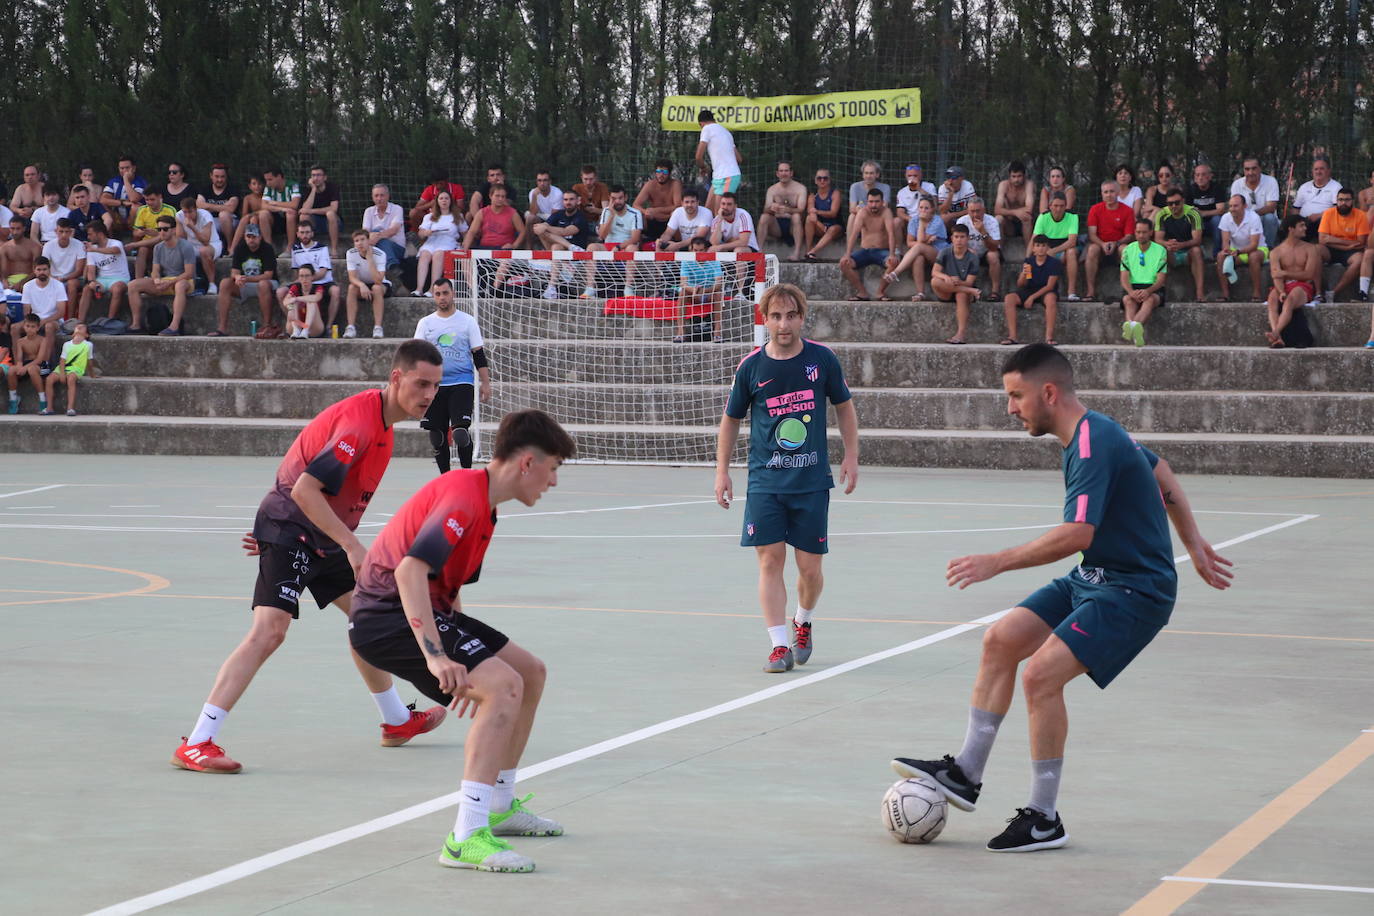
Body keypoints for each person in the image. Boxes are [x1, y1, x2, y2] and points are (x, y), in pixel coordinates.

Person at [892, 343, 1232, 853]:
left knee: (1040, 676)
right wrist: (1193, 543)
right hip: (1095, 577)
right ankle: (965, 773)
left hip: (1135, 588)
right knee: (1001, 640)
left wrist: (996, 561)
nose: (1010, 408)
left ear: (1048, 393)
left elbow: (1078, 534)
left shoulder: (1093, 442)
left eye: (1016, 396)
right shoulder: (1097, 433)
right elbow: (1161, 474)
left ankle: (1044, 818)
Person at [171, 341, 448, 774]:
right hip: (297, 526)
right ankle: (199, 742)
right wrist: (289, 533)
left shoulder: (384, 428)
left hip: (318, 534)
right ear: (397, 378)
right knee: (269, 631)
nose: (429, 394)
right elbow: (303, 490)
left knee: (370, 618)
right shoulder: (360, 425)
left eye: (436, 385)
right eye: (421, 383)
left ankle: (397, 721)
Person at [348, 409, 576, 873]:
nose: (552, 482)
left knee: (528, 673)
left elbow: (444, 593)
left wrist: (472, 654)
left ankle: (500, 805)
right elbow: (409, 571)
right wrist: (438, 657)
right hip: (385, 617)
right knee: (503, 687)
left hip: (424, 612)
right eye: (552, 469)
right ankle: (465, 837)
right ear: (527, 464)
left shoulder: (483, 505)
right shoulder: (463, 498)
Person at [714, 283, 858, 673]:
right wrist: (722, 471)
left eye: (791, 315)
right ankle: (779, 646)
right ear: (765, 318)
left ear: (801, 318)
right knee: (769, 562)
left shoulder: (822, 359)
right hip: (765, 482)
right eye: (776, 316)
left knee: (810, 570)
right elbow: (731, 420)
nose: (783, 323)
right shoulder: (751, 366)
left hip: (811, 481)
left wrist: (851, 455)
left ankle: (803, 620)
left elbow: (844, 407)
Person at [414, 277, 491, 472]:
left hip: (462, 383)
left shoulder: (467, 321)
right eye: (438, 294)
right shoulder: (426, 323)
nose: (442, 298)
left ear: (453, 294)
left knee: (460, 434)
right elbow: (416, 356)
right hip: (434, 386)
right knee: (437, 436)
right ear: (434, 296)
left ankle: (466, 474)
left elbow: (478, 354)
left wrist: (485, 383)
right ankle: (445, 479)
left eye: (445, 293)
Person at [128, 215, 197, 336]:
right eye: (159, 229)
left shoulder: (186, 246)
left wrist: (170, 282)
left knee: (180, 285)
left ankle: (174, 326)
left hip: (184, 281)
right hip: (165, 281)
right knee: (133, 285)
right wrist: (156, 280)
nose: (162, 232)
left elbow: (189, 273)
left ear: (174, 230)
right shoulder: (158, 247)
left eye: (165, 229)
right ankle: (136, 324)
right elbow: (155, 270)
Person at [214, 222, 276, 338]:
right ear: (244, 237)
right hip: (246, 283)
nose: (251, 240)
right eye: (248, 237)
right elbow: (234, 272)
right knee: (225, 283)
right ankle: (222, 328)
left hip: (267, 284)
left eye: (254, 237)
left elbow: (268, 275)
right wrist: (237, 277)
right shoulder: (240, 247)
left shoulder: (267, 248)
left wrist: (247, 279)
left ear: (260, 237)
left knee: (263, 284)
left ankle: (267, 325)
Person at [1266, 216, 1320, 349]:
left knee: (1290, 300)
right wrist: (1281, 291)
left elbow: (1309, 274)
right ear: (1291, 229)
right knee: (1272, 299)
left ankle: (1276, 334)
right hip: (1284, 285)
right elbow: (1276, 276)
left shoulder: (1310, 248)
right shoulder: (1276, 252)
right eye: (1301, 225)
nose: (1305, 228)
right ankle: (1277, 336)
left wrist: (1285, 273)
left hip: (1303, 285)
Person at [278, 220, 341, 330]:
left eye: (307, 232)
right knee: (280, 292)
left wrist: (307, 279)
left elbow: (322, 272)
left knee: (335, 291)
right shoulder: (295, 250)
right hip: (303, 281)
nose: (305, 235)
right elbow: (296, 272)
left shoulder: (322, 248)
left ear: (312, 233)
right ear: (297, 234)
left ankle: (328, 326)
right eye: (302, 232)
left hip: (322, 282)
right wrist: (299, 282)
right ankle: (296, 324)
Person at [883, 195, 948, 301]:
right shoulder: (914, 220)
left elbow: (919, 242)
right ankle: (920, 293)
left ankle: (896, 272)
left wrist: (922, 223)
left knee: (919, 247)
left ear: (932, 210)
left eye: (926, 208)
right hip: (923, 250)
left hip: (939, 253)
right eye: (921, 207)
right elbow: (909, 242)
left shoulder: (937, 220)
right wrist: (924, 242)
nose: (923, 210)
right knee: (918, 258)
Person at [535, 190, 598, 300]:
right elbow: (539, 229)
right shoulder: (558, 214)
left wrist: (547, 227)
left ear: (578, 201)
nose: (568, 202)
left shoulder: (581, 217)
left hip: (576, 256)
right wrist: (543, 227)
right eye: (565, 200)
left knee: (554, 244)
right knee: (546, 237)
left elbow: (566, 231)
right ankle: (552, 288)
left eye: (571, 199)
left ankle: (552, 286)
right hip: (560, 251)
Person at [1003, 235, 1063, 345]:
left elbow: (1050, 286)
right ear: (1033, 248)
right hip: (1030, 289)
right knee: (1009, 298)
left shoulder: (1054, 263)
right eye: (1038, 246)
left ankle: (1049, 337)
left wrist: (1032, 298)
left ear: (1048, 248)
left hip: (1045, 291)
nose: (1040, 248)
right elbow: (1022, 284)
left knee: (1050, 299)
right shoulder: (1029, 261)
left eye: (1043, 246)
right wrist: (1023, 274)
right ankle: (1012, 336)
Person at [841, 188, 899, 301]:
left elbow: (891, 234)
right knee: (844, 263)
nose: (874, 205)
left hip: (882, 251)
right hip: (865, 251)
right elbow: (854, 234)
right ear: (867, 201)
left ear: (882, 202)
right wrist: (847, 254)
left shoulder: (886, 212)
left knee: (894, 263)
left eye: (877, 202)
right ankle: (862, 292)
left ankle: (880, 292)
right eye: (871, 201)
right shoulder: (862, 213)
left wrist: (892, 254)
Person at [586, 186, 643, 298]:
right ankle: (590, 288)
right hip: (608, 246)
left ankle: (628, 288)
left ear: (625, 198)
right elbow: (602, 235)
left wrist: (618, 247)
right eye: (614, 198)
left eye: (620, 198)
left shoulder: (635, 213)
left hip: (625, 247)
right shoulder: (606, 211)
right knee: (591, 247)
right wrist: (611, 216)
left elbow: (635, 238)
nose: (617, 201)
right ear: (610, 198)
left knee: (633, 249)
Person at [1120, 217, 1167, 346]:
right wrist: (1130, 291)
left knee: (1150, 300)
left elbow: (1161, 279)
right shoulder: (1128, 250)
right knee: (1128, 300)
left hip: (1153, 288)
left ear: (1151, 232)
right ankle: (1136, 330)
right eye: (1138, 232)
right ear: (1135, 232)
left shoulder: (1160, 250)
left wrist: (1148, 291)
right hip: (1133, 287)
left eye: (1144, 232)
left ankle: (1131, 327)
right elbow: (1124, 276)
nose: (1141, 235)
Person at [1083, 181, 1134, 301]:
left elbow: (1129, 235)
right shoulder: (1095, 209)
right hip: (1100, 245)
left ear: (1118, 193)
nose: (1109, 195)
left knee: (1125, 250)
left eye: (1112, 191)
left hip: (1118, 244)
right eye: (1106, 192)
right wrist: (1102, 244)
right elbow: (1092, 234)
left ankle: (1128, 291)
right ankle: (1090, 292)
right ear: (1102, 194)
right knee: (1092, 249)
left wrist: (1117, 243)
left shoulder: (1127, 211)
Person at [933, 224, 982, 344]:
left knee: (961, 294)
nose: (959, 240)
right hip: (948, 289)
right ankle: (970, 292)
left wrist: (959, 282)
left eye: (962, 237)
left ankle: (960, 334)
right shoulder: (944, 252)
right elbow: (934, 272)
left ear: (968, 238)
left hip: (963, 289)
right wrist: (946, 277)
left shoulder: (973, 257)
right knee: (935, 281)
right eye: (956, 237)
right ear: (952, 238)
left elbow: (969, 282)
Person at [1153, 190, 1205, 301]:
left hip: (1188, 251)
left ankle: (1200, 292)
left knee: (1196, 250)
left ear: (1183, 201)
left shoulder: (1193, 213)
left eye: (1177, 203)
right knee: (1159, 250)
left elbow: (1197, 240)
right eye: (1170, 203)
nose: (1173, 206)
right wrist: (1168, 244)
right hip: (1171, 252)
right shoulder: (1162, 214)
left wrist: (1181, 245)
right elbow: (1157, 239)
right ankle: (1159, 291)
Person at [1214, 194, 1268, 301]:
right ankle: (1225, 294)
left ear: (1245, 206)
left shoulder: (1254, 218)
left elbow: (1254, 244)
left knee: (1253, 256)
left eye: (1235, 206)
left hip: (1258, 250)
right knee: (1220, 256)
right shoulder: (1225, 218)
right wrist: (1226, 250)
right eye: (1230, 206)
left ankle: (1257, 293)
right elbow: (1225, 241)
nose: (1232, 209)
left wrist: (1239, 251)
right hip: (1236, 251)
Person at [1317, 187, 1366, 302]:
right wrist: (1346, 244)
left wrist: (1331, 239)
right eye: (1340, 200)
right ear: (1336, 200)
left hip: (1350, 252)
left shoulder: (1361, 215)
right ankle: (1318, 293)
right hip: (1331, 249)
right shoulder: (1328, 213)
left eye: (1347, 200)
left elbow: (1360, 243)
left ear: (1352, 201)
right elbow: (1322, 240)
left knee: (1359, 259)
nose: (1343, 203)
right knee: (1316, 250)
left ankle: (1333, 292)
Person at [79, 219, 131, 328]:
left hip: (120, 278)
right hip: (102, 279)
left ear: (100, 234)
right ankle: (80, 322)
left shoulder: (116, 243)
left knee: (117, 289)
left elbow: (115, 251)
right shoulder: (92, 249)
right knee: (87, 289)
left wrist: (94, 250)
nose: (88, 237)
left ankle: (109, 321)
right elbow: (91, 270)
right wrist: (92, 282)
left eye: (90, 234)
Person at [707, 192, 758, 300]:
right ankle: (711, 290)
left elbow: (743, 241)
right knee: (711, 250)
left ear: (735, 206)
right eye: (723, 204)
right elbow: (714, 242)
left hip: (749, 250)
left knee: (738, 250)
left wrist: (722, 246)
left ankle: (740, 293)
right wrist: (720, 219)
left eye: (729, 204)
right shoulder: (717, 219)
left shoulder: (743, 215)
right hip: (729, 249)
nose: (725, 207)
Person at [674, 234, 725, 343]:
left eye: (701, 250)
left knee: (718, 294)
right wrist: (694, 291)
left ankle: (717, 333)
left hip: (709, 292)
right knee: (682, 293)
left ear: (706, 250)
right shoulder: (686, 261)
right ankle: (681, 332)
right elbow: (683, 283)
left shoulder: (714, 260)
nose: (698, 253)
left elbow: (719, 283)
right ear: (691, 249)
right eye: (695, 250)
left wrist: (704, 291)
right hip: (692, 294)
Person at [1031, 192, 1080, 300]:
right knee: (1039, 253)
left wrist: (1053, 251)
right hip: (1047, 248)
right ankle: (1038, 290)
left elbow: (1072, 242)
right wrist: (1027, 259)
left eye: (1062, 206)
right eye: (1056, 206)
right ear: (1050, 206)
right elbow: (1034, 240)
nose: (1058, 209)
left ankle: (1071, 292)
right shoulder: (1043, 217)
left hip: (1064, 249)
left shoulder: (1072, 216)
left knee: (1071, 252)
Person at [755, 161, 808, 261]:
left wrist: (788, 210)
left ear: (791, 173)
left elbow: (802, 210)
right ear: (777, 173)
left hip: (793, 226)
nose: (784, 173)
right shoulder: (772, 189)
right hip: (777, 226)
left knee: (796, 216)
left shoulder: (800, 188)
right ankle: (759, 252)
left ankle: (796, 253)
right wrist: (772, 208)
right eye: (781, 171)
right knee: (764, 217)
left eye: (786, 171)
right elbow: (765, 209)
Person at [344, 228, 389, 340]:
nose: (360, 243)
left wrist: (370, 259)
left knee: (376, 288)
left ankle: (378, 328)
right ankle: (350, 327)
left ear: (368, 240)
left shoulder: (380, 254)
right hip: (362, 284)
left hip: (380, 284)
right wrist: (361, 285)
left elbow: (379, 280)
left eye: (362, 239)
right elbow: (352, 277)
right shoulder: (350, 253)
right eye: (357, 241)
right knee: (351, 288)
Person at [41, 320, 92, 416]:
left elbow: (89, 361)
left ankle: (70, 408)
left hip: (76, 369)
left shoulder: (88, 345)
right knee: (49, 379)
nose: (79, 327)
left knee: (71, 378)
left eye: (82, 327)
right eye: (77, 326)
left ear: (87, 335)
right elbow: (62, 360)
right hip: (62, 368)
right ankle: (49, 407)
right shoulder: (67, 344)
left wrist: (92, 374)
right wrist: (62, 373)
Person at [696, 109, 743, 213]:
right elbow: (739, 159)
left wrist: (703, 167)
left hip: (728, 176)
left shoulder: (706, 129)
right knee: (707, 212)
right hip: (719, 176)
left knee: (720, 213)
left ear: (701, 124)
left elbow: (698, 157)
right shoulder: (726, 132)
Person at [417, 190, 462, 296]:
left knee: (438, 254)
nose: (444, 201)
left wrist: (464, 244)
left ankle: (432, 288)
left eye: (446, 198)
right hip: (432, 241)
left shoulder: (457, 216)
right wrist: (426, 233)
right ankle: (419, 289)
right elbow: (421, 233)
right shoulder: (429, 217)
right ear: (437, 201)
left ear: (451, 201)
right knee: (424, 255)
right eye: (441, 198)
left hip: (448, 242)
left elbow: (465, 232)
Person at [957, 197, 1003, 299]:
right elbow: (957, 244)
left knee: (993, 256)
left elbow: (994, 247)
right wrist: (968, 251)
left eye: (978, 211)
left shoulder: (991, 221)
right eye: (972, 211)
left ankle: (995, 291)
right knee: (963, 254)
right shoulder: (962, 221)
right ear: (968, 211)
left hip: (987, 251)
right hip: (969, 252)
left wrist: (983, 232)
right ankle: (969, 289)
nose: (975, 215)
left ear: (984, 210)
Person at [20, 256, 65, 361]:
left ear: (49, 270)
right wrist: (31, 324)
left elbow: (61, 312)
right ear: (34, 271)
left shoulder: (58, 285)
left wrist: (43, 321)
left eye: (44, 269)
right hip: (35, 319)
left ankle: (46, 362)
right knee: (14, 328)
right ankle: (17, 361)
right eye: (39, 270)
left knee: (48, 327)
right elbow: (26, 311)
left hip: (54, 320)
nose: (42, 272)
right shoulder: (27, 286)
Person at [1230, 157, 1281, 248]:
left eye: (1254, 168)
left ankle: (1268, 249)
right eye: (1247, 169)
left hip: (1263, 219)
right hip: (1244, 220)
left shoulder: (1271, 181)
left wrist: (1251, 215)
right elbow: (1235, 207)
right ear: (1243, 170)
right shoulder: (1237, 184)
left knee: (1270, 218)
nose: (1250, 172)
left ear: (1260, 169)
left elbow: (1271, 207)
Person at [176, 194, 221, 296]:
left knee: (203, 251)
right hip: (191, 245)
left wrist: (192, 227)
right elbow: (180, 238)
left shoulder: (205, 216)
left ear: (196, 209)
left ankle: (212, 284)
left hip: (212, 244)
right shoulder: (179, 216)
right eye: (185, 212)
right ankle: (190, 284)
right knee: (179, 250)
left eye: (190, 212)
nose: (187, 215)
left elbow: (205, 241)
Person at [128, 185, 176, 280]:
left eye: (152, 199)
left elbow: (173, 233)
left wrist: (156, 233)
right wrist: (139, 233)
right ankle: (139, 280)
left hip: (165, 242)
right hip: (146, 244)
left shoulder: (170, 210)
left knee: (161, 238)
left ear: (160, 197)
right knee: (142, 249)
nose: (149, 202)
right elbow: (135, 232)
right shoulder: (142, 210)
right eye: (147, 200)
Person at [42, 218, 85, 320]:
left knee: (71, 284)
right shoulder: (48, 246)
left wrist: (64, 278)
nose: (64, 235)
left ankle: (69, 319)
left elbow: (79, 270)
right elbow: (45, 267)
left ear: (71, 232)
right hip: (53, 277)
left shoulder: (79, 245)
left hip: (72, 278)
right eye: (61, 231)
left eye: (66, 232)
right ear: (56, 231)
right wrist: (54, 278)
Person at [631, 160, 682, 243]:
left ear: (669, 173)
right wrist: (646, 211)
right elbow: (635, 205)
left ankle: (678, 242)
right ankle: (641, 240)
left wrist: (656, 210)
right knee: (640, 215)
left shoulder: (675, 184)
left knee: (675, 214)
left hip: (669, 221)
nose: (661, 175)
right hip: (653, 220)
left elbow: (678, 206)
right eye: (658, 171)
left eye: (664, 172)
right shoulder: (650, 184)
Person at [6, 313, 48, 413]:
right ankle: (13, 399)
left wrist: (25, 368)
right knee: (12, 370)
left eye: (33, 327)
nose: (30, 329)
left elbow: (40, 359)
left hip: (42, 365)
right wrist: (20, 365)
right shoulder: (20, 341)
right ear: (24, 326)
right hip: (27, 363)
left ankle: (43, 400)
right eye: (27, 326)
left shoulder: (43, 340)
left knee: (31, 369)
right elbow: (20, 359)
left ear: (38, 328)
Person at [1293, 154, 1342, 239]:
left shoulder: (1336, 187)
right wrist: (1296, 220)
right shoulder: (1304, 187)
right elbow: (1295, 208)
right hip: (1303, 221)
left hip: (1324, 222)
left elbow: (1337, 209)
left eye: (1322, 169)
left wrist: (1319, 215)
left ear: (1328, 171)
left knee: (1320, 222)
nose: (1318, 172)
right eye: (1316, 169)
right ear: (1312, 171)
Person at [299, 165, 342, 255]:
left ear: (324, 177)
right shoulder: (308, 189)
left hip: (332, 222)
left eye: (318, 175)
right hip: (315, 223)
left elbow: (333, 208)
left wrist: (312, 211)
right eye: (313, 175)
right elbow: (304, 210)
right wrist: (313, 189)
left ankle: (334, 249)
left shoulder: (333, 187)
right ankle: (308, 248)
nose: (315, 178)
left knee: (330, 214)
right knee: (303, 216)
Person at [363, 184, 407, 269]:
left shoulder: (397, 209)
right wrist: (373, 237)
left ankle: (391, 263)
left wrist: (376, 236)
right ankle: (392, 265)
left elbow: (393, 230)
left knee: (381, 238)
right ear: (372, 197)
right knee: (370, 238)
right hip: (374, 246)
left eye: (382, 195)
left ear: (388, 196)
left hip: (396, 248)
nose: (379, 199)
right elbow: (365, 232)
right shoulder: (368, 211)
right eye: (376, 196)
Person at [100, 156, 148, 235]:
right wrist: (122, 203)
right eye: (122, 168)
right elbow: (103, 200)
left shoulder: (141, 182)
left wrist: (126, 179)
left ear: (134, 168)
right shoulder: (114, 181)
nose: (125, 171)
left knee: (136, 207)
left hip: (133, 219)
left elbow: (134, 199)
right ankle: (110, 236)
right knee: (102, 205)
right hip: (117, 217)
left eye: (127, 168)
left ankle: (133, 234)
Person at [803, 169, 844, 260]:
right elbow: (810, 212)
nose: (822, 181)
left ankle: (813, 251)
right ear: (815, 181)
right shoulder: (812, 196)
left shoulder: (835, 193)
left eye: (825, 178)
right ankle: (808, 250)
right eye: (819, 178)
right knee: (809, 218)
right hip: (820, 227)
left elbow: (833, 213)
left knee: (833, 229)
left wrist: (817, 212)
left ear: (829, 180)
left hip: (835, 226)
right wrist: (821, 226)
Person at [1185, 163, 1225, 255]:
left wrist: (1202, 213)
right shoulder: (1190, 190)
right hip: (1197, 222)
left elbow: (1221, 210)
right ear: (1194, 177)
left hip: (1212, 222)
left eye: (1203, 174)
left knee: (1217, 220)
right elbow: (1187, 210)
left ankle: (1217, 253)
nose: (1200, 177)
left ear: (1210, 176)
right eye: (1197, 175)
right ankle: (1190, 252)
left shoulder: (1217, 188)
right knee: (1189, 220)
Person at [199, 164, 242, 249]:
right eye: (217, 176)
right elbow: (199, 205)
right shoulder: (205, 189)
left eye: (222, 177)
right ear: (211, 176)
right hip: (210, 220)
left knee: (223, 215)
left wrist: (208, 207)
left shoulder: (233, 189)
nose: (219, 180)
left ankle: (230, 246)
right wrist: (223, 206)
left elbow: (231, 208)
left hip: (230, 220)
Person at [257, 168, 302, 248]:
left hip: (292, 219)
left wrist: (275, 203)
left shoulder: (293, 185)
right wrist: (282, 208)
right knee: (263, 214)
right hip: (276, 219)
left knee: (290, 213)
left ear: (279, 177)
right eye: (266, 180)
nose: (268, 183)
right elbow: (263, 205)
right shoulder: (268, 187)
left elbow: (295, 204)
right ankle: (269, 247)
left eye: (270, 179)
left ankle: (290, 247)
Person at [995, 161, 1037, 240]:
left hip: (1025, 223)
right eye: (1013, 176)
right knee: (998, 219)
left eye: (1019, 176)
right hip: (1009, 224)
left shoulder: (1029, 185)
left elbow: (1029, 209)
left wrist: (1012, 212)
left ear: (1024, 176)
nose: (1016, 179)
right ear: (1009, 176)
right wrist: (1016, 212)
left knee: (1026, 217)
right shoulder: (1003, 185)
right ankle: (998, 250)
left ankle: (1028, 250)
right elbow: (997, 210)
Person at [227, 172, 267, 254]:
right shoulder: (248, 198)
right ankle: (232, 248)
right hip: (251, 220)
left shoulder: (266, 196)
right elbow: (244, 215)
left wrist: (254, 215)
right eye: (254, 184)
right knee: (249, 219)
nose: (257, 186)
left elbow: (266, 210)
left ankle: (253, 246)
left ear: (263, 185)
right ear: (249, 186)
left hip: (264, 220)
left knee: (254, 218)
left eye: (259, 184)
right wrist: (250, 217)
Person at [283, 265, 325, 339]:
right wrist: (290, 308)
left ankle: (305, 330)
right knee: (292, 303)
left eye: (307, 276)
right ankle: (296, 330)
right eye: (301, 276)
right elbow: (285, 301)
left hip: (313, 327)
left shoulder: (317, 287)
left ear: (312, 277)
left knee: (311, 302)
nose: (304, 279)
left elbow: (317, 297)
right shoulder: (295, 287)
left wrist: (297, 298)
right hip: (297, 324)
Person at [2, 215, 41, 294]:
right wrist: (4, 281)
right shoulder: (4, 248)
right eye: (12, 228)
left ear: (24, 229)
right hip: (10, 281)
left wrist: (22, 282)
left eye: (18, 229)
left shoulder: (34, 247)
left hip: (29, 280)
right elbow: (3, 271)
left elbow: (37, 270)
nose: (15, 232)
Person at [525, 169, 563, 236]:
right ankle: (529, 246)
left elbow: (554, 217)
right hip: (541, 217)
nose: (542, 183)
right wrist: (534, 196)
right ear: (536, 182)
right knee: (529, 217)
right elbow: (533, 212)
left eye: (545, 180)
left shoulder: (557, 193)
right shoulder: (533, 192)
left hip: (554, 219)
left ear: (550, 181)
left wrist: (542, 225)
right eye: (539, 180)